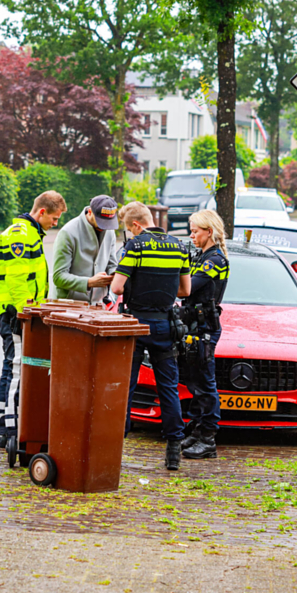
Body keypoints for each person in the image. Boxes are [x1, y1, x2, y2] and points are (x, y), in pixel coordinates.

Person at [111, 201, 191, 470]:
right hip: (165, 326)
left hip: (134, 323)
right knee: (168, 387)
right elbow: (185, 291)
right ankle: (173, 450)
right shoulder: (180, 247)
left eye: (128, 230)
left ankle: (114, 445)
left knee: (126, 387)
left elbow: (118, 288)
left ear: (136, 225)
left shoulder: (135, 246)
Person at [0, 191, 67, 444]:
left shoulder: (31, 234)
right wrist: (26, 314)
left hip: (22, 314)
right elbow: (17, 281)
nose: (56, 224)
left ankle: (10, 422)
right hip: (16, 315)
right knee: (13, 368)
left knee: (18, 367)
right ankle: (8, 428)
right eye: (54, 219)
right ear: (41, 212)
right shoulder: (20, 236)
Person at [179, 210, 229, 460]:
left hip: (205, 327)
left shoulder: (215, 260)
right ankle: (197, 430)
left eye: (195, 231)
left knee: (206, 382)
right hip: (194, 326)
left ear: (209, 231)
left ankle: (208, 437)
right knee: (195, 381)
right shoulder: (201, 255)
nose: (192, 235)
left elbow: (188, 288)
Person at [51, 195, 118, 304]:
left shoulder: (110, 232)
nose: (105, 227)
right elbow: (58, 277)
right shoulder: (68, 233)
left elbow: (111, 264)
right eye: (102, 221)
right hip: (69, 306)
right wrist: (88, 282)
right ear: (90, 212)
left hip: (97, 305)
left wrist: (115, 274)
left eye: (108, 223)